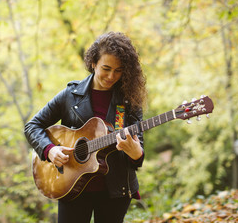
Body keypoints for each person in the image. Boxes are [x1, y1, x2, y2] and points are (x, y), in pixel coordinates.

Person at [24, 31, 147, 223]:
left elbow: (138, 157)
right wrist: (50, 150)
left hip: (115, 191)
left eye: (119, 70)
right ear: (93, 63)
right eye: (106, 68)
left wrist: (136, 153)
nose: (111, 76)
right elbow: (32, 126)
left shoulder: (129, 100)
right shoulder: (70, 95)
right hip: (70, 186)